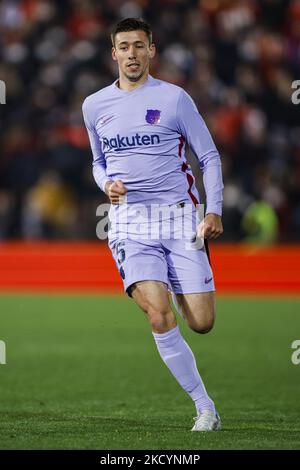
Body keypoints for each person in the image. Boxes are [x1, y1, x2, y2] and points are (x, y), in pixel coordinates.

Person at [82, 17, 224, 431]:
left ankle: (178, 282)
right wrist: (105, 183)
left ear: (151, 50)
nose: (131, 54)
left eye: (139, 46)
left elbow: (209, 156)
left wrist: (212, 210)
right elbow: (97, 162)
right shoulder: (94, 105)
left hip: (181, 219)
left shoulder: (176, 98)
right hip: (129, 222)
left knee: (201, 322)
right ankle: (205, 408)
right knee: (159, 316)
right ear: (113, 53)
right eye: (123, 46)